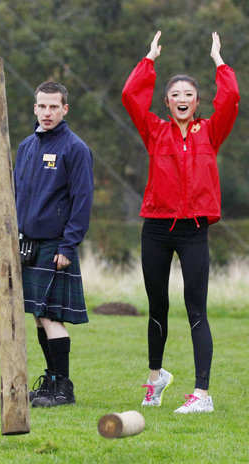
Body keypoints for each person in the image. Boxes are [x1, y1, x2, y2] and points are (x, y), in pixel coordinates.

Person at [122, 31, 239, 413]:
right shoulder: (155, 131)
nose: (183, 100)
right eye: (176, 95)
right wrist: (149, 60)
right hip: (155, 228)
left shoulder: (210, 131)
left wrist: (219, 62)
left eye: (189, 95)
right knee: (158, 306)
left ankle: (201, 395)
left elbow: (232, 98)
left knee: (196, 309)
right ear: (167, 102)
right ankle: (156, 380)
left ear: (197, 102)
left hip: (194, 232)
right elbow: (129, 96)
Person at [14, 81, 94, 407]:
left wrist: (67, 246)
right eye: (41, 106)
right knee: (37, 315)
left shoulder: (75, 149)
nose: (47, 112)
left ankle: (64, 388)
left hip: (55, 244)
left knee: (50, 316)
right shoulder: (26, 147)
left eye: (53, 107)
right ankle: (50, 380)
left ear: (65, 109)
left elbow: (82, 201)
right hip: (29, 242)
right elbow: (19, 194)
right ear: (34, 108)